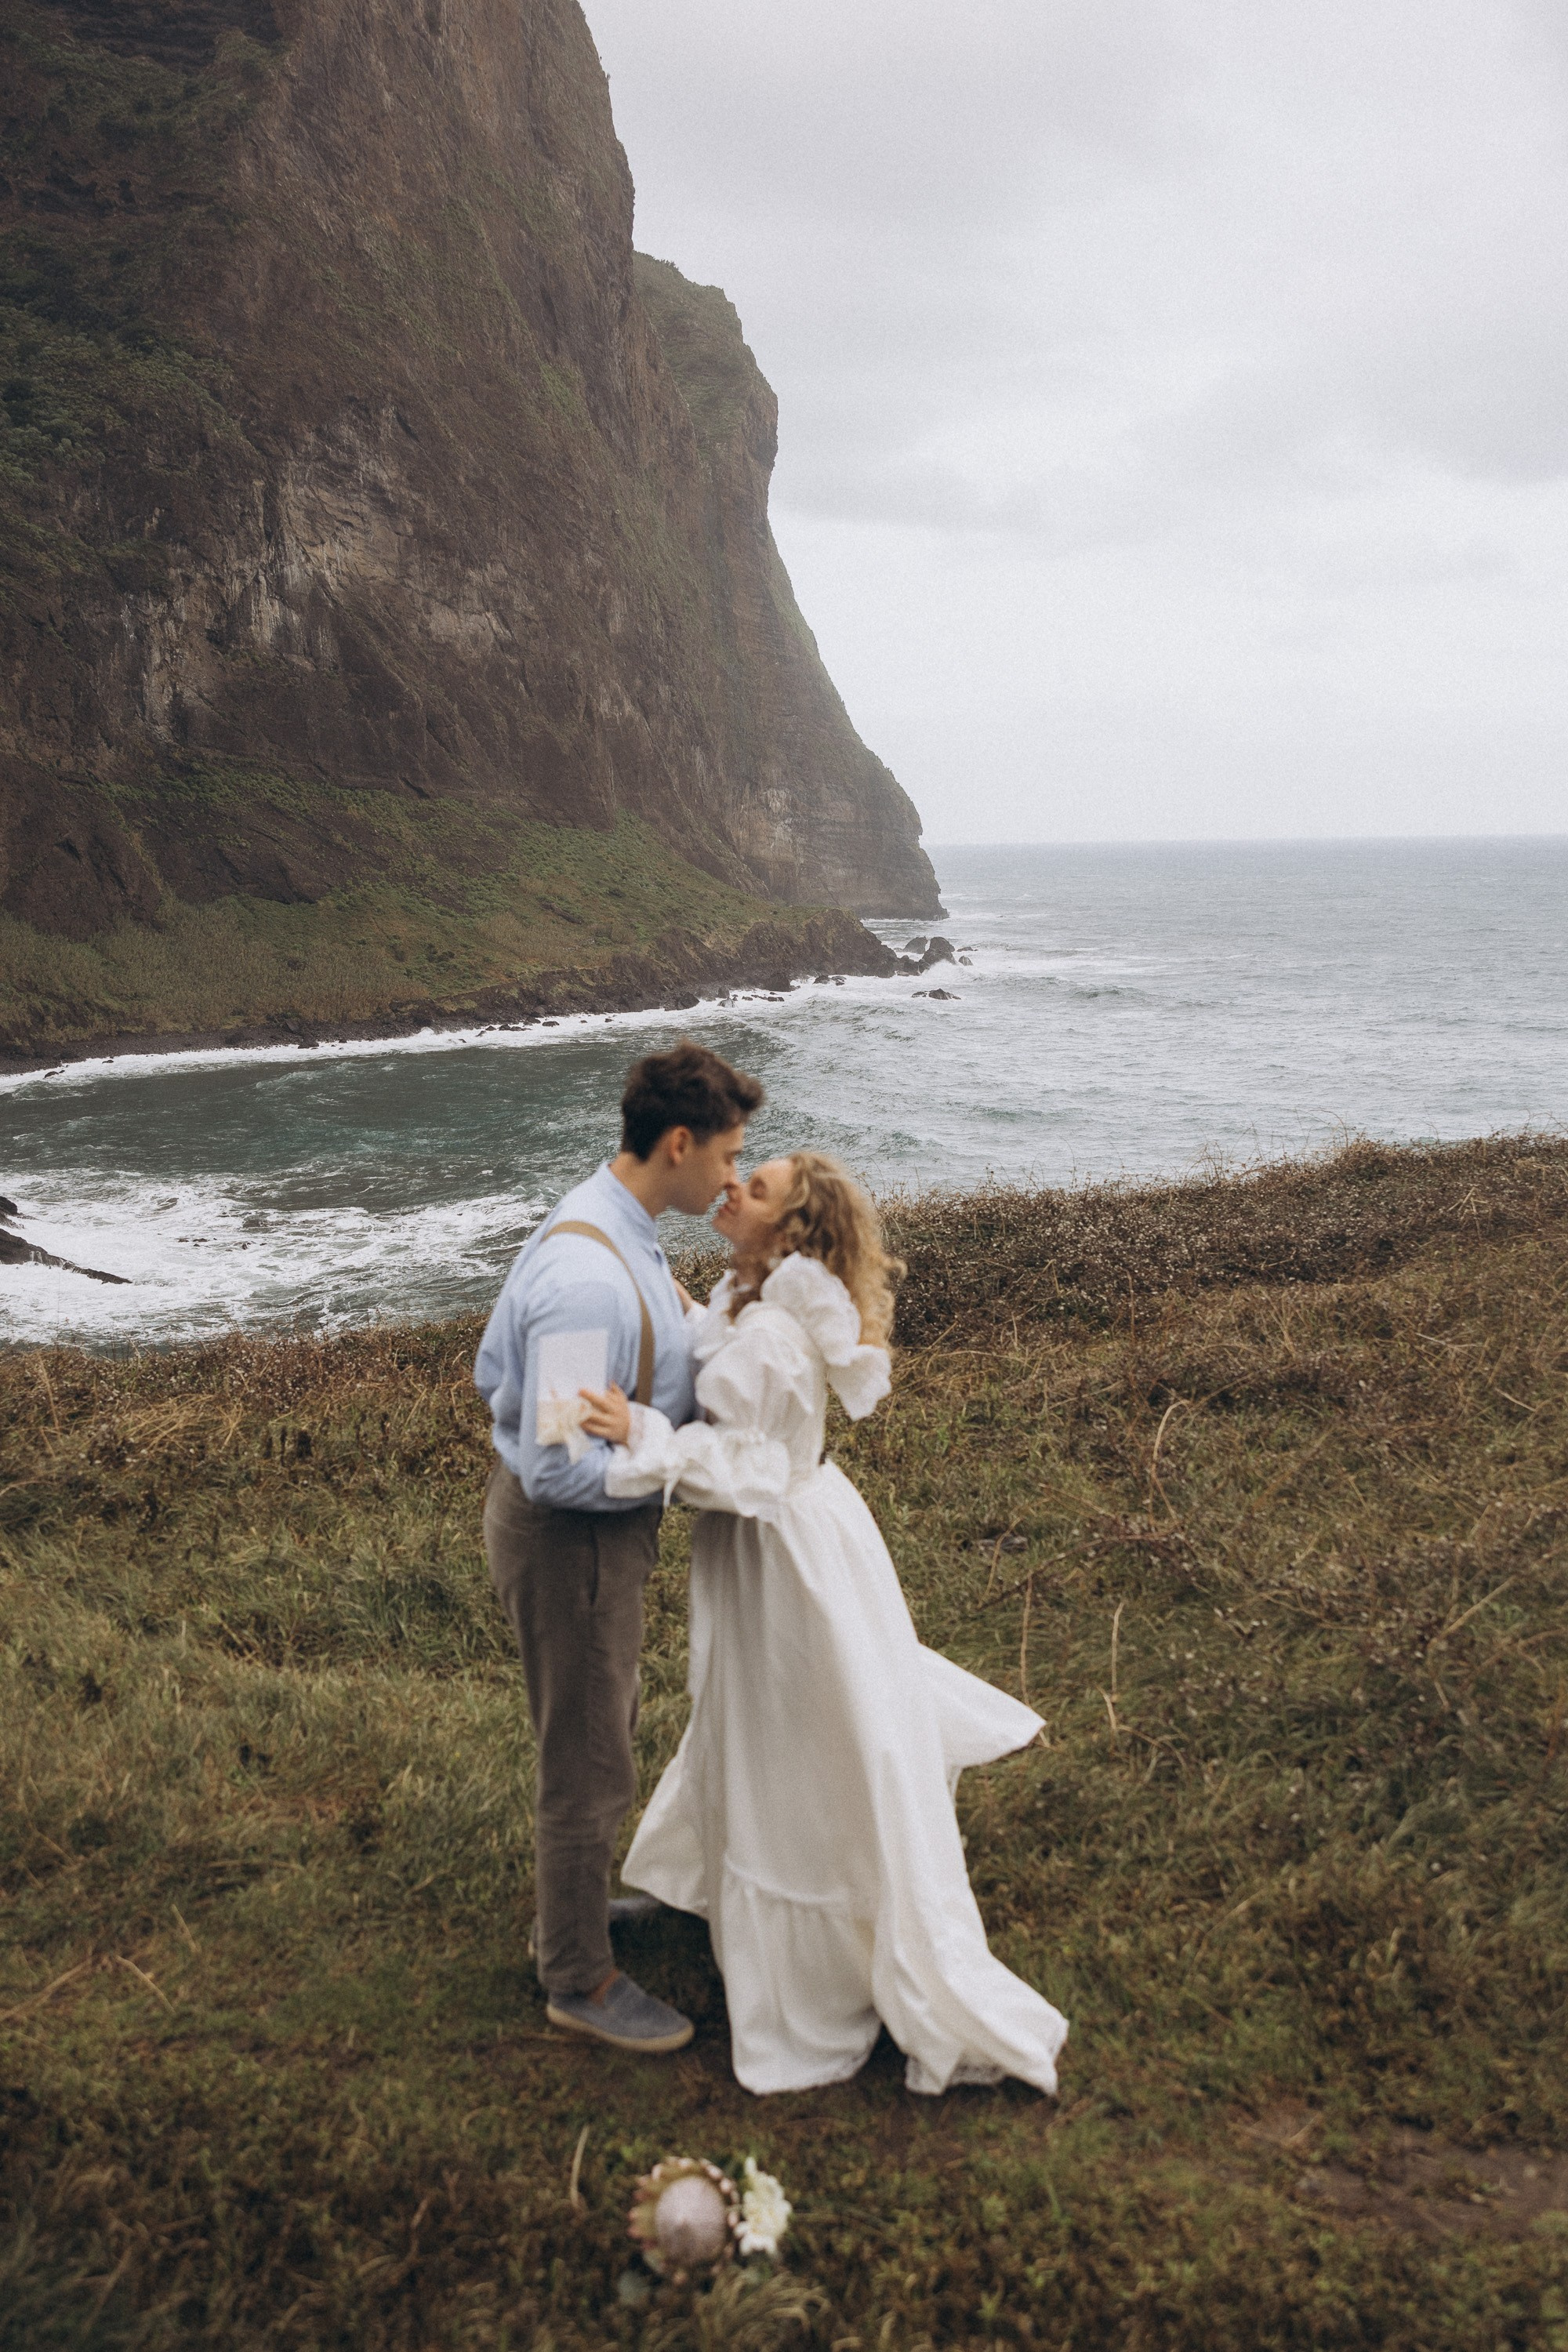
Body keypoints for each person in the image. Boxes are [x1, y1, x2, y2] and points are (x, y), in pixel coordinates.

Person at [578, 1150, 1069, 2096]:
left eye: (751, 1188)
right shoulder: (756, 1301)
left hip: (780, 1549)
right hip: (797, 1535)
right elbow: (732, 1362)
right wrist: (680, 1312)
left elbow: (749, 1469)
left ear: (791, 1232)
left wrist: (634, 1433)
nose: (729, 1188)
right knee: (768, 1719)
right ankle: (726, 1888)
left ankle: (815, 1966)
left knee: (790, 1733)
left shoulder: (774, 1336)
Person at [474, 1040, 763, 2054]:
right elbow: (557, 1471)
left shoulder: (624, 1216)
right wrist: (674, 1466)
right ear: (678, 1143)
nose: (735, 1176)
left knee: (602, 1734)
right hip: (572, 1545)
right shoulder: (588, 1285)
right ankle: (579, 1978)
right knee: (589, 1762)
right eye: (730, 1155)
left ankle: (575, 1914)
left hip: (590, 1539)